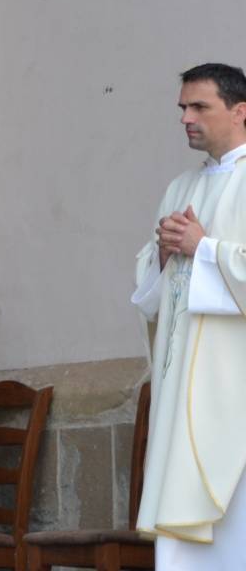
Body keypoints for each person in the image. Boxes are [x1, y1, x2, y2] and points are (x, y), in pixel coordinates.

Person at [132, 62, 246, 568]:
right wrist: (163, 255)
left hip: (234, 393)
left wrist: (204, 247)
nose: (186, 118)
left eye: (200, 106)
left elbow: (212, 256)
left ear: (240, 111)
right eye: (183, 107)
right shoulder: (180, 187)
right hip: (181, 393)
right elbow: (152, 291)